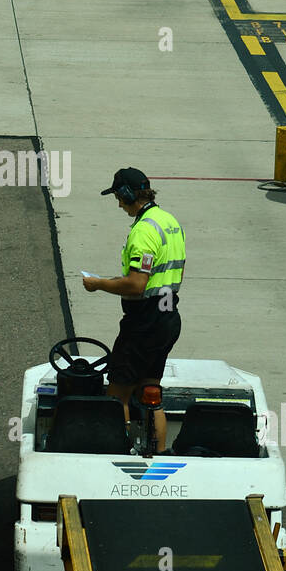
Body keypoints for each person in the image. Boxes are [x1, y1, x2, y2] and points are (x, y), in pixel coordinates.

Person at [82, 168, 184, 452]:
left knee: (118, 394)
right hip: (167, 317)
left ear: (127, 194)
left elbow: (138, 284)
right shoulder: (169, 222)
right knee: (151, 392)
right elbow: (162, 276)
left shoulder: (143, 232)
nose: (117, 203)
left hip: (143, 323)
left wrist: (100, 284)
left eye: (117, 196)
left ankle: (119, 452)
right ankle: (158, 454)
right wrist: (121, 282)